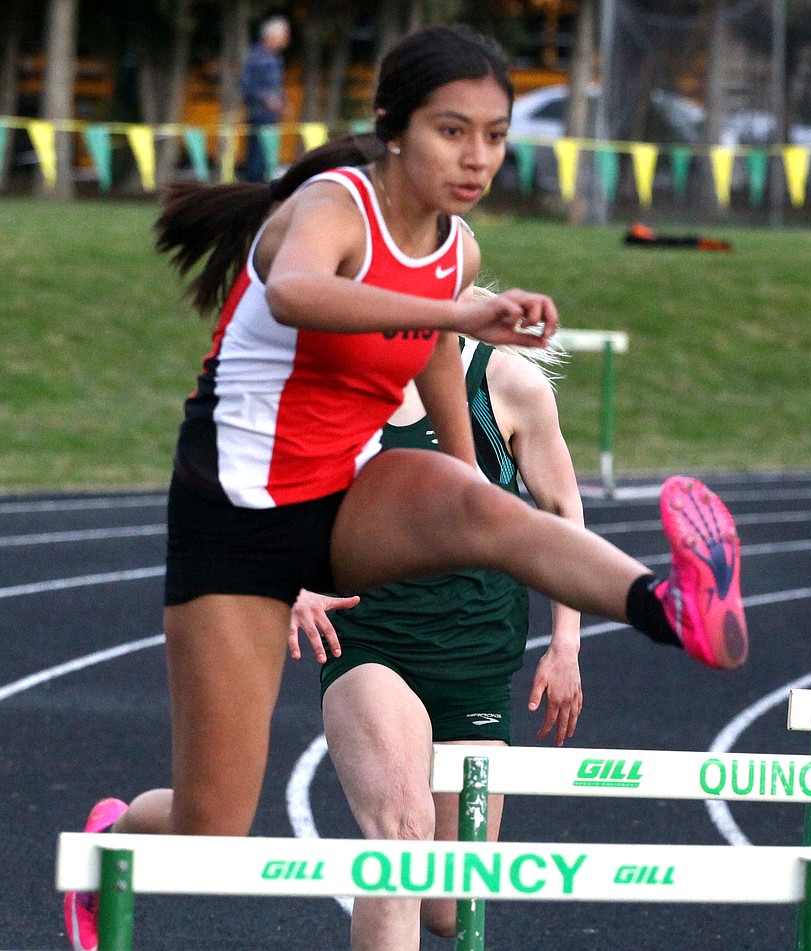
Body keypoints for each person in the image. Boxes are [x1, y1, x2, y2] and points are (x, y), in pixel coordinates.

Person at [63, 24, 747, 951]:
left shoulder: (453, 249)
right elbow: (302, 291)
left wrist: (470, 494)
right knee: (213, 828)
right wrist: (455, 310)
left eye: (496, 135)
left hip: (342, 501)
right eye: (452, 131)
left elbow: (431, 356)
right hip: (237, 519)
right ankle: (114, 841)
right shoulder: (334, 205)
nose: (477, 158)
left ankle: (672, 606)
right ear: (393, 127)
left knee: (487, 509)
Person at [290, 305, 586, 948]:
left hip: (478, 657)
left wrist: (566, 644)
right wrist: (292, 586)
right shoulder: (337, 385)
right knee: (400, 837)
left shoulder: (506, 385)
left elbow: (562, 510)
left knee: (450, 907)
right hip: (370, 644)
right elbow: (269, 495)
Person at [239, 15, 291, 183]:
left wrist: (284, 101)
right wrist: (267, 99)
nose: (286, 39)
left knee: (268, 160)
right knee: (256, 161)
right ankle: (253, 193)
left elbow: (276, 87)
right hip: (258, 116)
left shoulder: (276, 59)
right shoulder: (255, 56)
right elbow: (246, 85)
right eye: (284, 35)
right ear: (271, 36)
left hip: (272, 117)